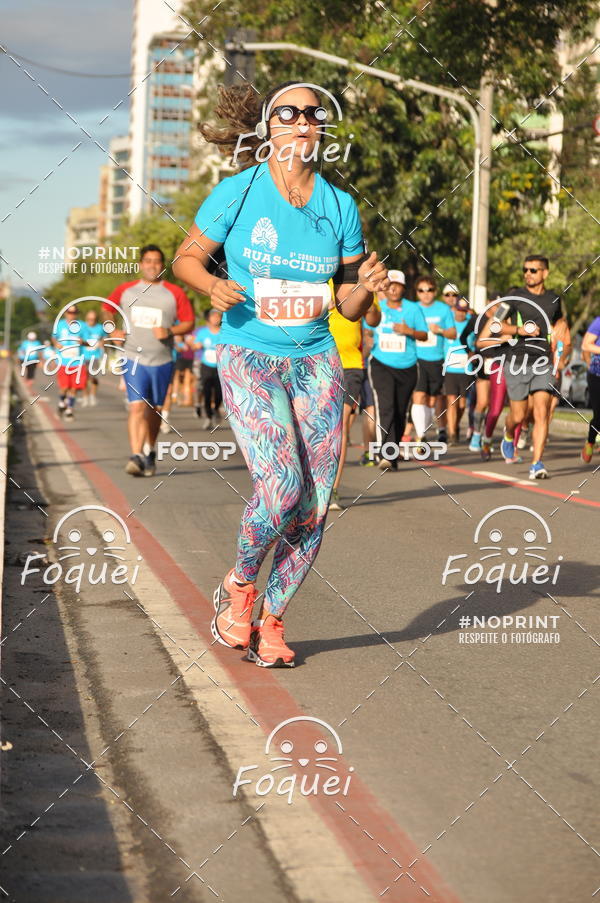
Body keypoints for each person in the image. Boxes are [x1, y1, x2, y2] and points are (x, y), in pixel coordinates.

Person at [172, 81, 388, 668]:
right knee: (282, 487)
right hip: (248, 354)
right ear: (268, 125)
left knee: (315, 502)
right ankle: (240, 585)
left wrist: (365, 290)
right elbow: (185, 258)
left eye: (312, 114)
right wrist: (211, 283)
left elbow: (345, 304)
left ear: (322, 129)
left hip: (315, 358)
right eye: (287, 112)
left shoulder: (339, 206)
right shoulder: (236, 194)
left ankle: (272, 619)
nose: (301, 121)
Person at [104, 245, 194, 476]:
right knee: (136, 407)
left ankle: (150, 450)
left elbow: (189, 322)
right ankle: (135, 456)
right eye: (147, 261)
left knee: (155, 410)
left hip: (163, 360)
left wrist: (170, 331)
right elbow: (107, 308)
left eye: (156, 261)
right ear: (140, 264)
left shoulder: (174, 293)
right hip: (133, 356)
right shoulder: (125, 290)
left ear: (162, 266)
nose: (152, 265)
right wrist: (113, 328)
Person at [499, 255, 567, 480]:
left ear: (545, 273)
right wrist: (520, 331)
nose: (528, 274)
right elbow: (495, 324)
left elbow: (560, 323)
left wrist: (562, 332)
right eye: (525, 269)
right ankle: (509, 435)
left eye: (533, 270)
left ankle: (537, 463)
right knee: (518, 416)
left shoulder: (554, 299)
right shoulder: (514, 296)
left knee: (542, 412)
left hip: (543, 362)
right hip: (517, 362)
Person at [367, 270, 428, 468]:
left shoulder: (413, 309)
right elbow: (366, 328)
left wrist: (408, 331)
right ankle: (386, 454)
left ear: (403, 288)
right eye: (389, 284)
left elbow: (424, 335)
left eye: (397, 285)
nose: (393, 288)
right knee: (386, 408)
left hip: (407, 366)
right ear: (385, 286)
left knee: (401, 411)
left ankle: (392, 453)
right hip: (381, 364)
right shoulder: (377, 308)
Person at [329, 282, 380, 506]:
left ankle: (332, 489)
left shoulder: (362, 283)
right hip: (316, 359)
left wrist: (368, 300)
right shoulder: (318, 275)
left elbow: (373, 320)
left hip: (350, 365)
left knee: (340, 426)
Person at [412, 276, 456, 444]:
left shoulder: (443, 309)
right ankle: (420, 436)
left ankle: (423, 430)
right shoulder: (412, 308)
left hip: (437, 360)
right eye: (421, 290)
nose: (425, 294)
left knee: (431, 401)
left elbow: (453, 333)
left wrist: (439, 330)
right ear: (416, 293)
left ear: (435, 292)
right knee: (419, 396)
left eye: (429, 290)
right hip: (416, 359)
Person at [442, 297, 474, 443]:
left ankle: (455, 424)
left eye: (464, 311)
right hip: (450, 368)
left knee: (462, 404)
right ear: (454, 309)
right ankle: (452, 433)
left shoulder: (471, 323)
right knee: (451, 401)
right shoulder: (448, 323)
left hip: (466, 368)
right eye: (458, 310)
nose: (461, 314)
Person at [52, 305, 87, 419]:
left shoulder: (82, 326)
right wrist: (56, 343)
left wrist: (83, 342)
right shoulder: (59, 324)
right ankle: (62, 403)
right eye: (69, 312)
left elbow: (89, 342)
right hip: (63, 361)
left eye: (74, 312)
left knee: (74, 388)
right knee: (64, 387)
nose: (72, 314)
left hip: (78, 362)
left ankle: (69, 410)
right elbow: (54, 337)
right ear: (65, 313)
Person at [193, 308, 224, 429]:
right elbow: (195, 345)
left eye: (218, 316)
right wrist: (195, 345)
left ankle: (216, 409)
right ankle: (208, 417)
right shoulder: (203, 333)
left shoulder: (224, 332)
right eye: (213, 316)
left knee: (219, 392)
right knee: (206, 391)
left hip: (220, 366)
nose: (215, 318)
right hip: (206, 365)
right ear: (209, 318)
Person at [580, 315, 600, 463]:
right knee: (599, 416)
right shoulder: (598, 321)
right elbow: (586, 344)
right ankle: (590, 442)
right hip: (597, 374)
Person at [81, 309, 104, 406]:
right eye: (89, 319)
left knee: (94, 378)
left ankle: (92, 396)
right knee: (84, 378)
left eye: (93, 319)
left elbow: (103, 339)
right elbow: (78, 339)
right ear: (86, 319)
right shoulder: (82, 327)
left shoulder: (100, 328)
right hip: (83, 356)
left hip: (95, 356)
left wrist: (101, 346)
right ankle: (85, 396)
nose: (91, 321)